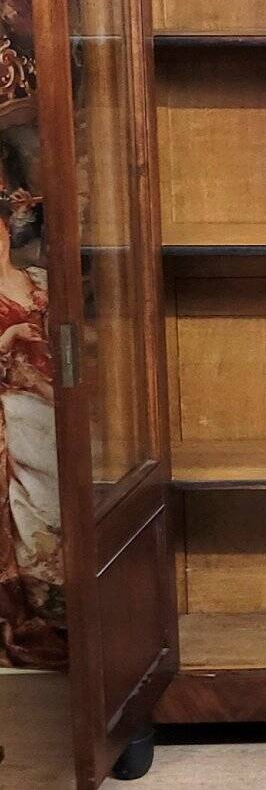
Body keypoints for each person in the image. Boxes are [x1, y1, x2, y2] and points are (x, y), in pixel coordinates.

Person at [0, 190, 65, 668]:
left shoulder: (36, 279)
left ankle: (69, 610)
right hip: (11, 413)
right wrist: (8, 337)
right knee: (29, 511)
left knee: (63, 501)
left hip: (55, 405)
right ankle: (34, 608)